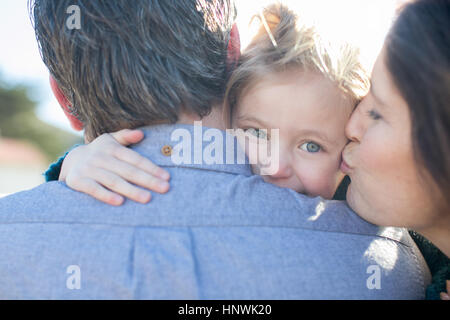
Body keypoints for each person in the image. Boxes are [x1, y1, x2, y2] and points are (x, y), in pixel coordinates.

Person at [0, 0, 429, 299]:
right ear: (232, 54)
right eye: (257, 133)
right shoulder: (391, 264)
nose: (276, 165)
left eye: (312, 145)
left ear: (62, 101)